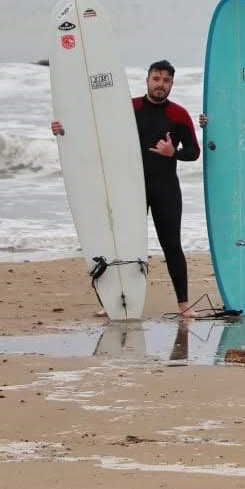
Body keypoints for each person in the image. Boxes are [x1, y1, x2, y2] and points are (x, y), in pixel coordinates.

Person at [51, 59, 201, 316]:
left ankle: (184, 305)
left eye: (166, 81)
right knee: (122, 245)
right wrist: (63, 129)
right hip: (130, 188)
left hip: (165, 188)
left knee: (172, 245)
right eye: (156, 79)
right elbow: (94, 128)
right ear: (147, 80)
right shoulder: (128, 108)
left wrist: (171, 153)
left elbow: (194, 152)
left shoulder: (178, 114)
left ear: (172, 84)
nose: (160, 85)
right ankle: (113, 303)